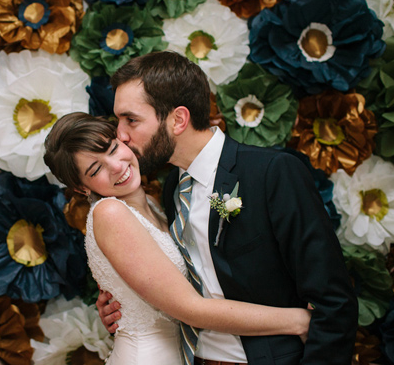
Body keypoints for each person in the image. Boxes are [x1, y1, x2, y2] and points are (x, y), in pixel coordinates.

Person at [95, 51, 358, 365]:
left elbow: (334, 302)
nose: (121, 135)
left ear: (178, 119)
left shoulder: (271, 173)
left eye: (131, 120)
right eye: (119, 120)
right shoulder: (173, 187)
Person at [43, 112, 312, 365]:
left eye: (113, 149)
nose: (116, 166)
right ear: (81, 187)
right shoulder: (110, 213)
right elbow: (188, 308)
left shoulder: (159, 201)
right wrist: (297, 319)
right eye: (95, 170)